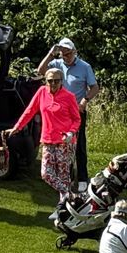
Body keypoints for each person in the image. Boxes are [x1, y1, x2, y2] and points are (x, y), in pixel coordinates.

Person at [11, 64, 82, 204]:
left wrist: (71, 132)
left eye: (56, 81)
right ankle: (69, 194)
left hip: (65, 141)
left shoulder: (69, 96)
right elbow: (30, 111)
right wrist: (18, 126)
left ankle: (64, 206)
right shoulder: (42, 92)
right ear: (46, 81)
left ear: (61, 81)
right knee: (46, 174)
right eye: (50, 81)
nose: (53, 84)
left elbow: (77, 119)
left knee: (63, 176)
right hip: (48, 139)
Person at [37, 36, 98, 186]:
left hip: (76, 110)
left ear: (74, 51)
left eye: (68, 53)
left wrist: (85, 100)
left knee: (79, 145)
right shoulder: (56, 64)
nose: (66, 57)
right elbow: (41, 71)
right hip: (58, 112)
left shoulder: (85, 67)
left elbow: (94, 87)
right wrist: (51, 53)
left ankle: (82, 178)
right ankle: (64, 177)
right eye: (63, 54)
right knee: (61, 145)